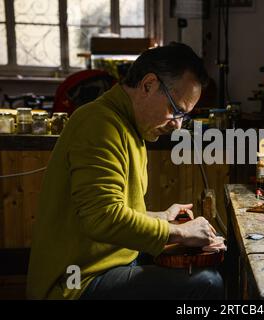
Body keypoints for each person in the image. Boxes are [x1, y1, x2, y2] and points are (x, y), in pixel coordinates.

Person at [27, 43, 225, 300]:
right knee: (207, 283)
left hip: (109, 260)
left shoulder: (131, 126)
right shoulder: (99, 124)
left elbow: (117, 210)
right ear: (148, 85)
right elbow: (103, 217)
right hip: (76, 280)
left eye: (183, 117)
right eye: (175, 110)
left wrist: (161, 218)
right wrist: (180, 231)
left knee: (213, 260)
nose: (177, 126)